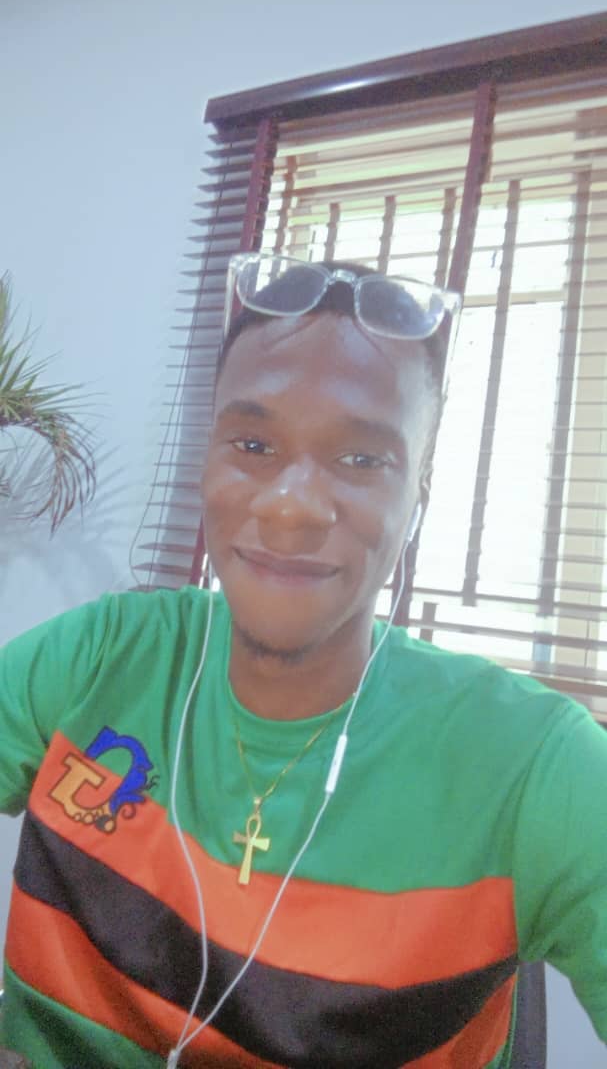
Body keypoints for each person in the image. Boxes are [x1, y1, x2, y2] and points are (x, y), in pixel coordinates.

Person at [0, 252, 606, 1069]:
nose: (289, 505)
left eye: (361, 459)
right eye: (252, 443)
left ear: (415, 501)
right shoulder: (100, 657)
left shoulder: (532, 768)